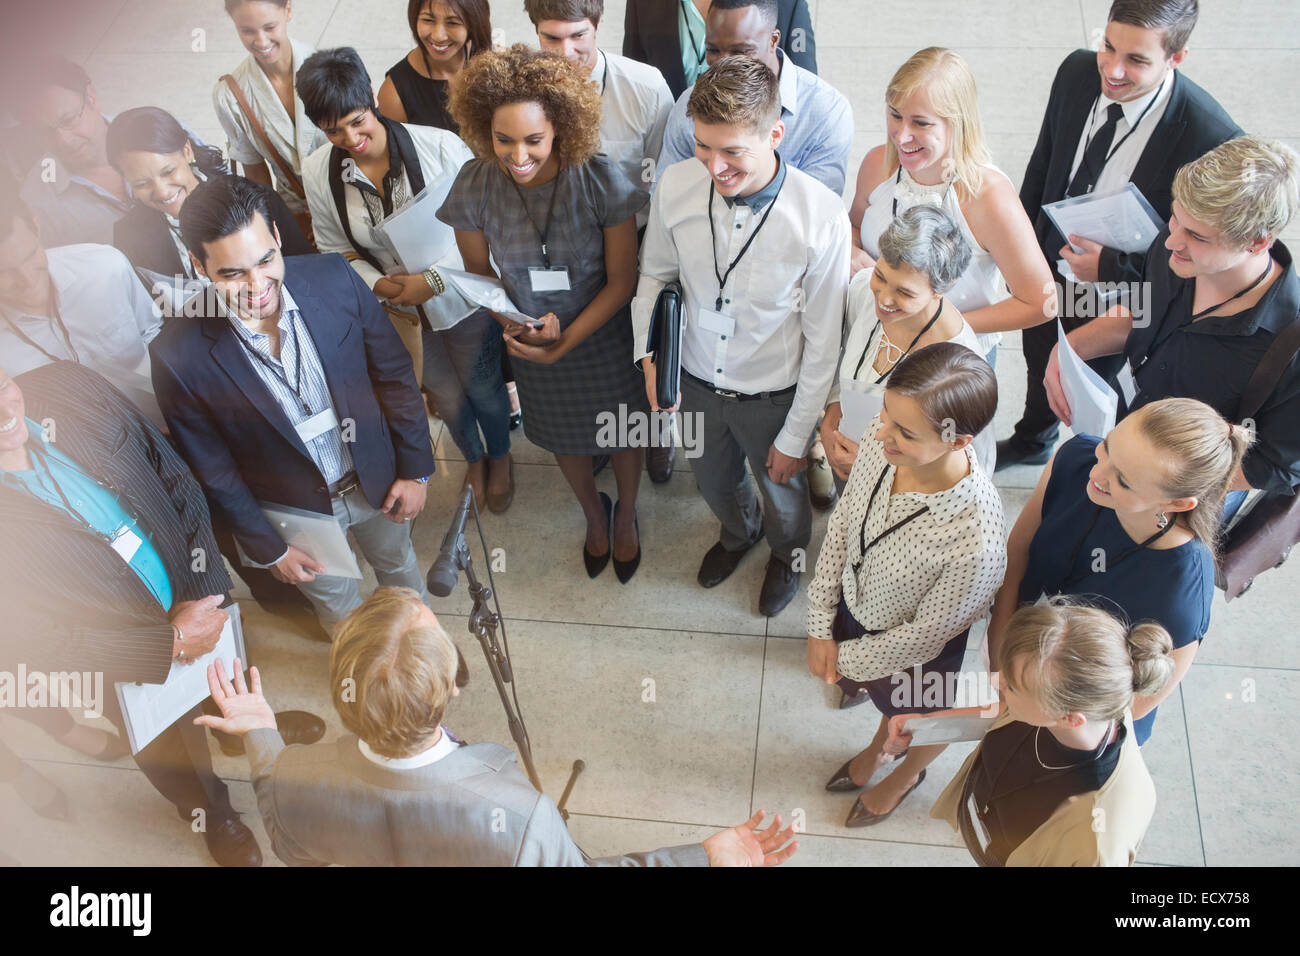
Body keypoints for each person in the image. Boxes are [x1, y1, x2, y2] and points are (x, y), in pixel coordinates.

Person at [197, 586, 800, 866]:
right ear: (452, 688)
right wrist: (706, 858)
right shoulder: (519, 816)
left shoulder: (298, 777)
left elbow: (287, 840)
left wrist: (260, 734)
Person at [0, 360, 326, 867]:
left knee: (229, 682)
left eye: (1, 385)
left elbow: (168, 468)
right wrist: (169, 644)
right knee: (173, 754)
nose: (4, 409)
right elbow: (31, 640)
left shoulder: (68, 382)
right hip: (123, 660)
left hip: (197, 592)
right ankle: (210, 811)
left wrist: (206, 590)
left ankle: (244, 734)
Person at [150, 175, 437, 633]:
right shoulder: (177, 355)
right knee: (341, 612)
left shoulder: (335, 278)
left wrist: (415, 468)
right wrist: (270, 549)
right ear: (200, 266)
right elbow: (214, 469)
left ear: (278, 237)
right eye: (232, 273)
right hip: (295, 514)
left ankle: (425, 647)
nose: (258, 285)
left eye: (266, 259)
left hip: (377, 477)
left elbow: (394, 376)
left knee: (401, 571)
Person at [635, 56, 848, 616]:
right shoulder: (676, 186)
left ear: (775, 134)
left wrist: (796, 436)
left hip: (774, 394)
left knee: (785, 492)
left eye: (733, 151)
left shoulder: (821, 216)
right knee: (713, 481)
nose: (714, 167)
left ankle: (787, 555)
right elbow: (654, 274)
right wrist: (649, 355)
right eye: (704, 147)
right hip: (695, 379)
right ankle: (737, 535)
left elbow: (825, 341)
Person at [1000, 0, 1241, 470]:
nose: (1112, 70)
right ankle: (1034, 438)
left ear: (1177, 57)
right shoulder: (1074, 72)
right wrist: (1021, 252)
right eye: (1107, 47)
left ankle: (1098, 467)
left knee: (1097, 388)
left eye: (1136, 60)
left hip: (1121, 297)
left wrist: (1109, 266)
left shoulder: (1210, 138)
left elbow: (1198, 262)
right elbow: (1045, 164)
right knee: (1039, 358)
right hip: (1049, 268)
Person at [439, 46, 649, 582]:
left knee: (622, 432)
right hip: (528, 339)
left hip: (600, 335)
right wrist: (522, 328)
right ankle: (593, 517)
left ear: (561, 127)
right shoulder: (475, 182)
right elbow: (481, 279)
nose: (517, 155)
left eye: (534, 139)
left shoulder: (601, 181)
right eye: (503, 139)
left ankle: (625, 512)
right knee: (560, 435)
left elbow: (623, 281)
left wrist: (569, 338)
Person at [298, 47, 514, 511]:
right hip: (399, 312)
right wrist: (381, 285)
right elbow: (335, 246)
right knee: (445, 397)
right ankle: (472, 458)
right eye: (332, 130)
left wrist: (432, 281)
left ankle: (500, 455)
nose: (350, 138)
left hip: (460, 297)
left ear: (371, 101)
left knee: (485, 389)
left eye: (358, 121)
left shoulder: (440, 147)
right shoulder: (319, 171)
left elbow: (485, 228)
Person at [806, 343, 1005, 826]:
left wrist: (842, 659)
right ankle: (872, 726)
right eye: (886, 415)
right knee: (871, 692)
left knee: (911, 722)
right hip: (858, 607)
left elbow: (923, 636)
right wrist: (819, 625)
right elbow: (844, 522)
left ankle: (896, 770)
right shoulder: (883, 437)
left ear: (959, 441)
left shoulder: (975, 538)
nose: (881, 436)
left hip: (914, 649)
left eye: (905, 432)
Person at [1045, 136, 1300, 499]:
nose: (1170, 242)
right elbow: (1144, 308)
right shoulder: (1178, 247)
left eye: (1197, 235)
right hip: (1117, 437)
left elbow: (1273, 467)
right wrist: (1071, 348)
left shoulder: (1291, 346)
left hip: (1179, 500)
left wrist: (1148, 481)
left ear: (1257, 242)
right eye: (1175, 219)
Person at [991, 398, 1248, 745]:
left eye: (1124, 481)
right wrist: (1002, 659)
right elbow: (1018, 551)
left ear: (1176, 504)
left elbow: (1138, 703)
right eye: (1108, 447)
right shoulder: (1078, 458)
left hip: (1080, 722)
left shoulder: (1181, 590)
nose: (1096, 474)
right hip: (1019, 667)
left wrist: (1038, 706)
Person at [912, 600, 1175, 866]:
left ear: (1068, 718)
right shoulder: (1088, 701)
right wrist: (924, 724)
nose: (994, 681)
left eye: (1012, 686)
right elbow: (1003, 711)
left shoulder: (1094, 841)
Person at [823, 205, 997, 482]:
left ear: (941, 290)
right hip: (847, 463)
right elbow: (843, 356)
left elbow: (966, 462)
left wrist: (873, 464)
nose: (883, 299)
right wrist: (830, 420)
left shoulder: (958, 362)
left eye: (904, 292)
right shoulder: (862, 290)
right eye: (880, 276)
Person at [0, 185, 165, 426]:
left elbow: (155, 335)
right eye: (4, 273)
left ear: (36, 227)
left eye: (29, 256)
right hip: (94, 459)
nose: (27, 280)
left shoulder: (105, 266)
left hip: (174, 420)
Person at [656, 0, 850, 196]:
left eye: (741, 51)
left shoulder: (826, 111)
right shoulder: (687, 103)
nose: (725, 63)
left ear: (773, 40)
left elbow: (817, 210)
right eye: (713, 50)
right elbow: (667, 195)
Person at [107, 106, 311, 286]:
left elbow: (306, 270)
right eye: (142, 184)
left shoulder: (257, 200)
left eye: (168, 172)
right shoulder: (129, 236)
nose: (162, 191)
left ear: (187, 151)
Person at [526, 0, 674, 222]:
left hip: (634, 235)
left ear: (597, 25)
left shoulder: (648, 89)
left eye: (578, 36)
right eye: (552, 38)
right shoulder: (519, 91)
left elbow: (662, 177)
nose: (565, 53)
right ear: (536, 30)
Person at [213, 0, 328, 227]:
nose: (261, 41)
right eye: (247, 31)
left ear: (288, 10)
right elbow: (256, 172)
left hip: (353, 197)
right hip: (296, 211)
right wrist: (270, 226)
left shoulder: (328, 68)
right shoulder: (230, 95)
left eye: (269, 27)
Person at [14, 57, 132, 247]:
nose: (64, 141)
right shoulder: (36, 200)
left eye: (68, 120)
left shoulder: (153, 128)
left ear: (91, 98)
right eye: (45, 131)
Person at [623, 0, 817, 100]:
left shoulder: (787, 3)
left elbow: (803, 90)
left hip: (760, 150)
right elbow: (635, 83)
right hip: (671, 147)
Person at [377, 0, 493, 131]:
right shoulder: (394, 93)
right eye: (428, 20)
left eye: (453, 23)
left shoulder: (491, 64)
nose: (438, 36)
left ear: (473, 24)